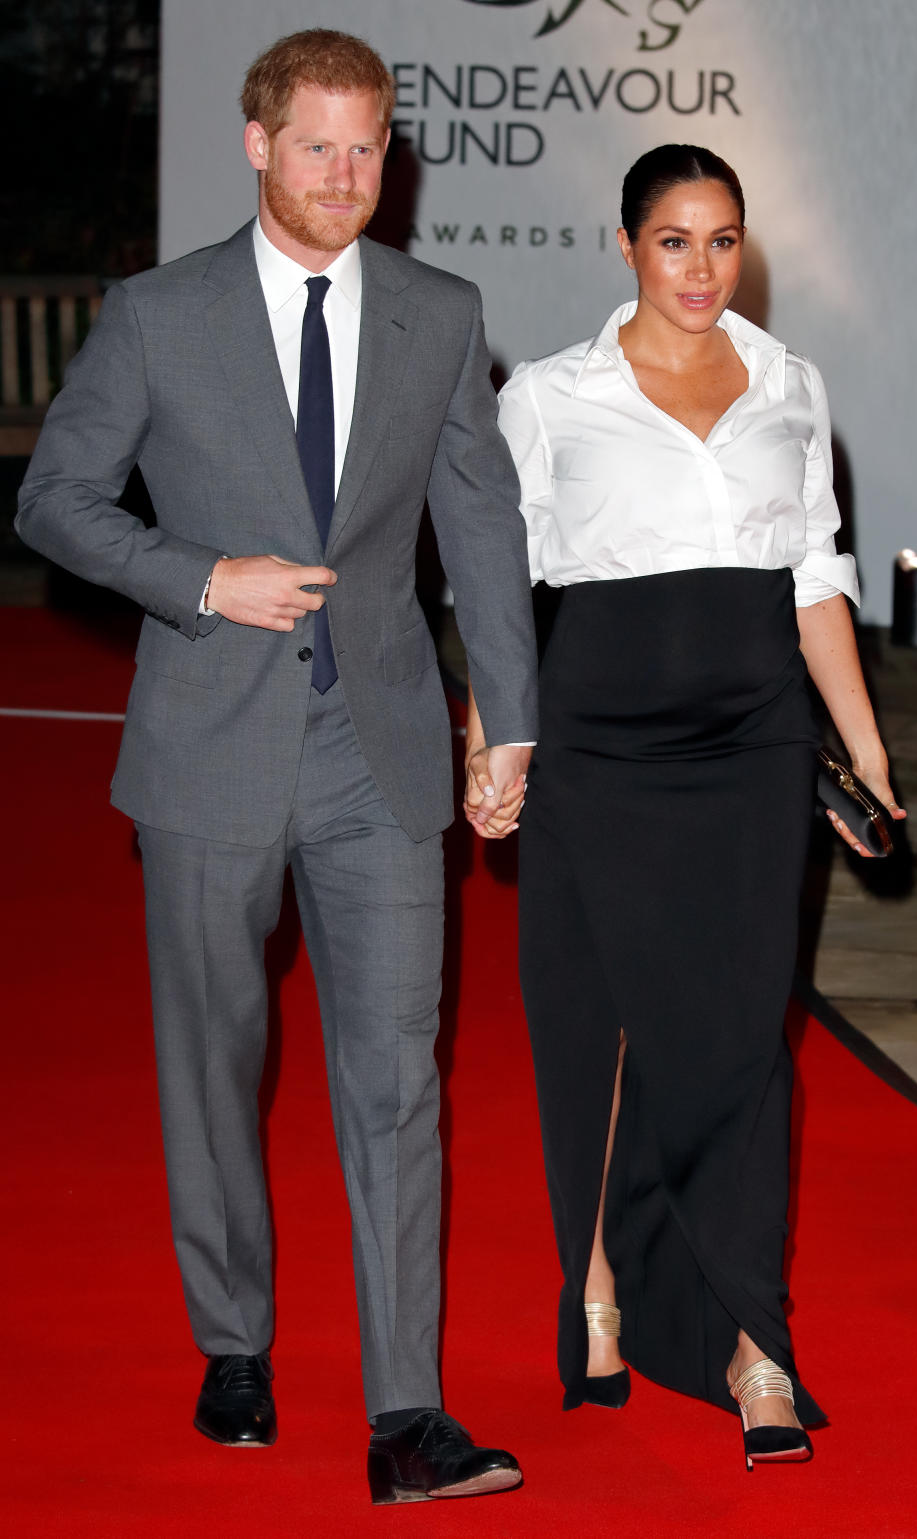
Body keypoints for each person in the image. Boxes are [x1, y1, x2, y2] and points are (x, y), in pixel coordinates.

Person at [17, 28, 537, 1505]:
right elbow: (57, 501)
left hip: (378, 747)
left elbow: (482, 525)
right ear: (257, 146)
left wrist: (510, 711)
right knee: (216, 1063)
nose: (346, 176)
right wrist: (199, 577)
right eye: (317, 146)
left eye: (368, 147)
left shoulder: (439, 312)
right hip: (207, 743)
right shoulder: (157, 315)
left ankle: (405, 1416)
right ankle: (233, 1336)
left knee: (397, 1082)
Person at [467, 143, 904, 1469]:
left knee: (739, 1042)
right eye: (674, 241)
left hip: (754, 747)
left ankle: (753, 1342)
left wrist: (869, 755)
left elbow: (817, 579)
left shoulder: (789, 384)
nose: (702, 268)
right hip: (598, 751)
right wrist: (493, 740)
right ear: (624, 247)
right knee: (599, 1033)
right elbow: (494, 588)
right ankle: (597, 1288)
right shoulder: (549, 396)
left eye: (723, 240)